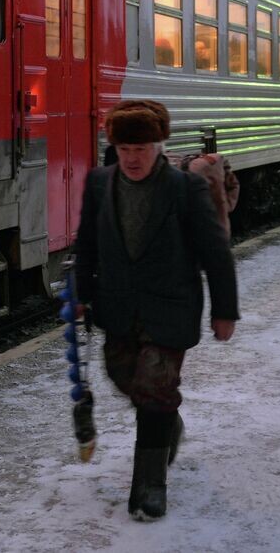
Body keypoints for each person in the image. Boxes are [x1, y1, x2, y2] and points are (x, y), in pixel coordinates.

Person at [73, 99, 239, 521]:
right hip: (118, 306)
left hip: (170, 307)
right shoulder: (98, 183)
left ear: (159, 146)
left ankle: (148, 489)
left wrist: (225, 310)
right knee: (124, 377)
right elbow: (87, 244)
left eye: (141, 148)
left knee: (154, 389)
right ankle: (168, 422)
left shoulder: (186, 189)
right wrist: (80, 292)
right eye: (125, 149)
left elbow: (215, 251)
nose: (132, 158)